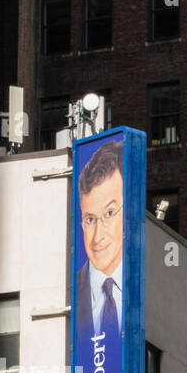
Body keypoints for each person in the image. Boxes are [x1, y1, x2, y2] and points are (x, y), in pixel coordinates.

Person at [75, 139, 125, 340]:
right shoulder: (69, 291)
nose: (97, 236)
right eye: (90, 219)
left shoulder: (152, 283)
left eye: (109, 213)